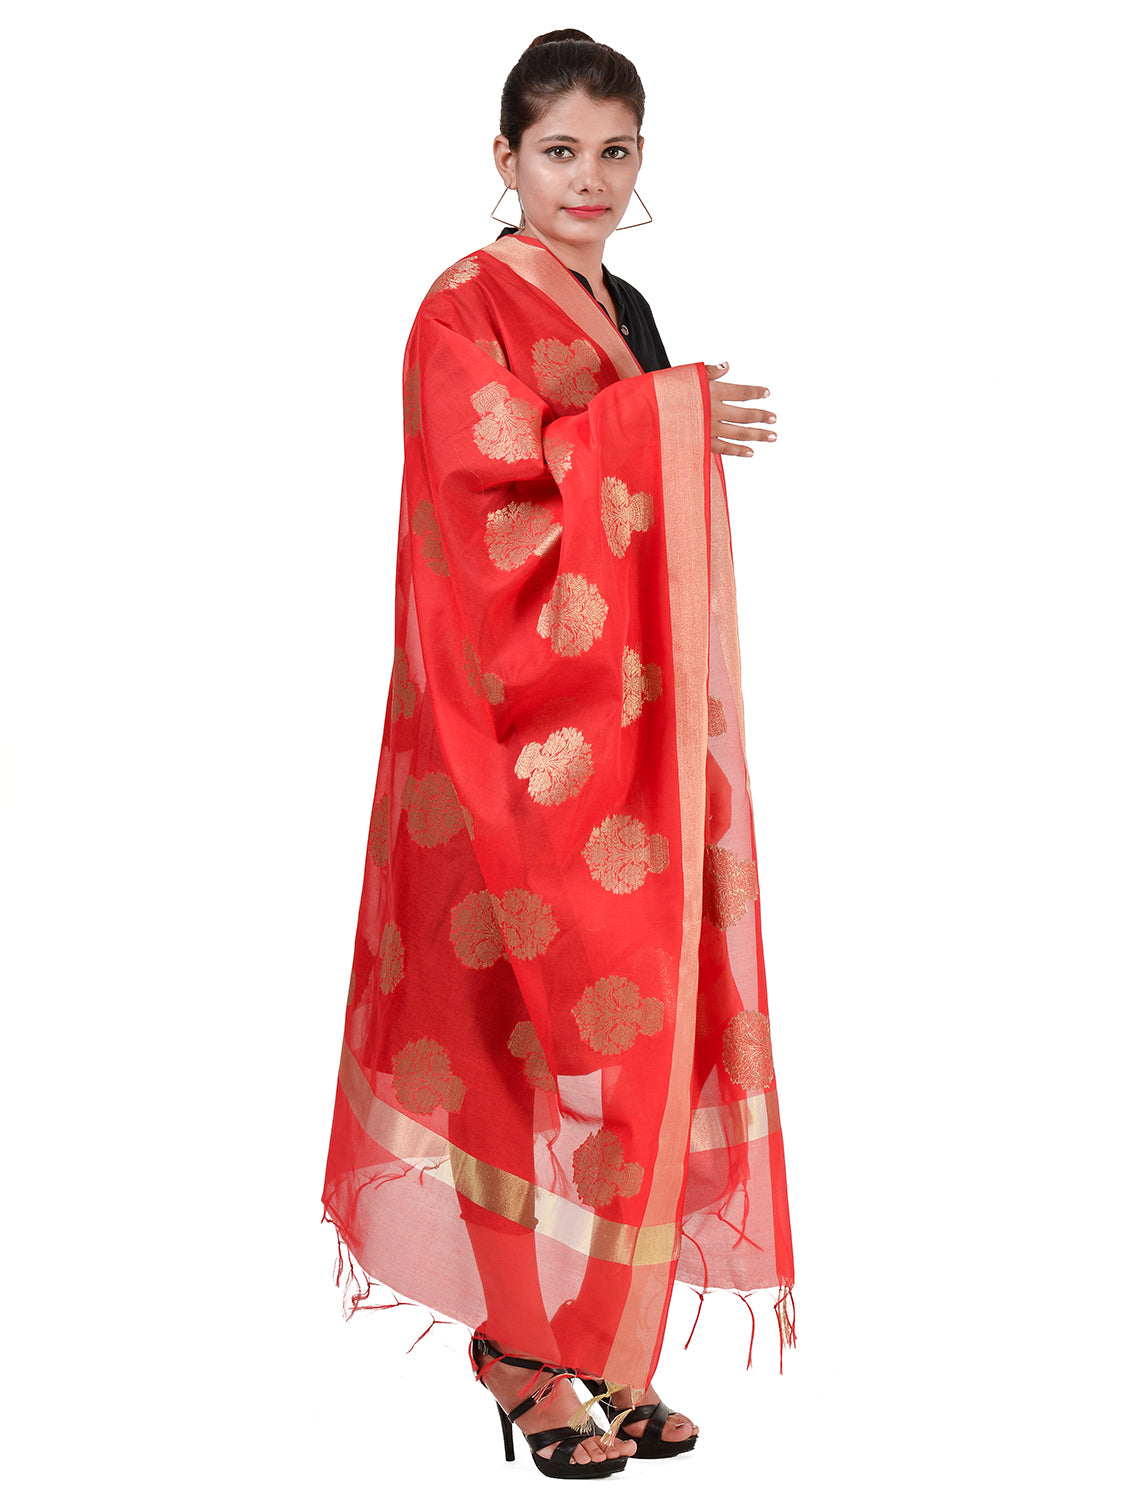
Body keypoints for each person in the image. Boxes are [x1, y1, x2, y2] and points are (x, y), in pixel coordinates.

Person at [322, 28, 795, 1479]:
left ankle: (603, 1343)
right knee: (501, 1048)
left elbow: (620, 519)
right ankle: (518, 1352)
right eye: (560, 151)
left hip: (617, 749)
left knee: (624, 1042)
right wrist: (655, 425)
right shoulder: (461, 308)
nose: (589, 178)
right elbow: (484, 508)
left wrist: (651, 426)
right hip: (492, 744)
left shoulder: (624, 306)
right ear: (505, 158)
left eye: (615, 150)